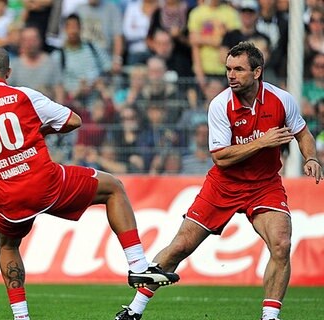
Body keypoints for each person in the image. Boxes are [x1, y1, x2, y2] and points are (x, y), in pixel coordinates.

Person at [0, 46, 179, 320]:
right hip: (46, 184)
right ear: (8, 73)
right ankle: (138, 266)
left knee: (8, 248)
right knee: (113, 188)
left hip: (7, 200)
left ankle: (21, 316)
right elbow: (73, 121)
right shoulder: (24, 96)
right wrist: (35, 131)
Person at [115, 41, 323, 320]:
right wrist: (263, 142)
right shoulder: (220, 105)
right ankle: (133, 310)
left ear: (257, 72)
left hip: (265, 185)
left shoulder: (282, 100)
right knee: (179, 247)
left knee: (281, 244)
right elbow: (221, 157)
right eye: (228, 69)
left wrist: (311, 158)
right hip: (223, 186)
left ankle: (270, 318)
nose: (231, 75)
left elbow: (303, 133)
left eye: (238, 69)